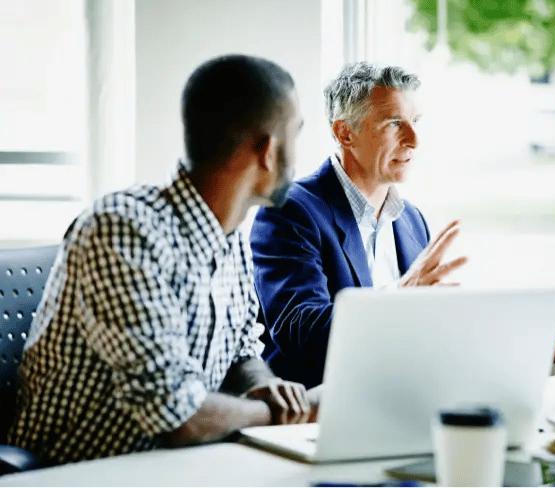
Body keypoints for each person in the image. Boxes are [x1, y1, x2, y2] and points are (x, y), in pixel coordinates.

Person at [8, 54, 315, 466]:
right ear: (268, 151)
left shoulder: (232, 237)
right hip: (83, 471)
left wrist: (265, 386)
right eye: (297, 133)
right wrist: (291, 414)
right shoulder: (124, 229)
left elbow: (241, 350)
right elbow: (174, 413)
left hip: (185, 465)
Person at [250, 62, 469, 389]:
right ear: (345, 133)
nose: (414, 140)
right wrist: (400, 298)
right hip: (317, 414)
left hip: (402, 399)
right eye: (395, 123)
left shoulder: (411, 219)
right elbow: (302, 335)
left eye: (416, 122)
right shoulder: (290, 211)